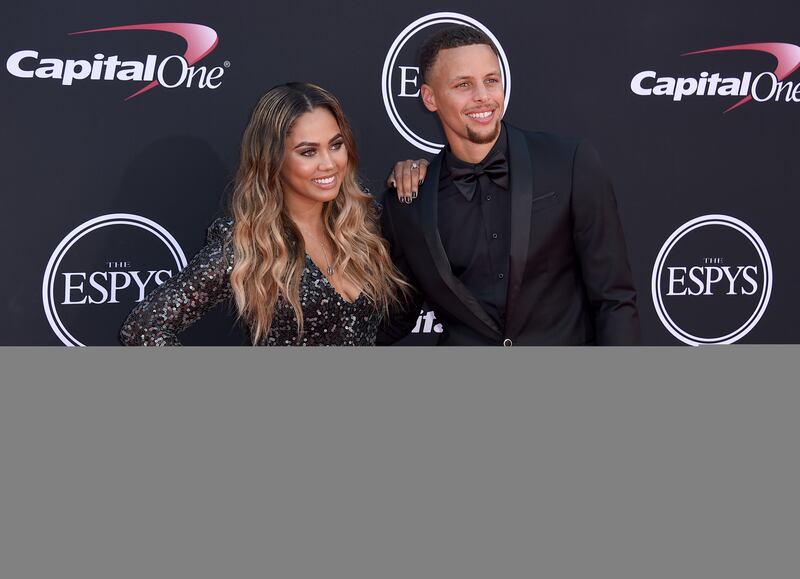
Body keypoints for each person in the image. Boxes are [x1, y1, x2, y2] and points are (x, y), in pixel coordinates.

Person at [379, 25, 641, 346]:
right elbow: (394, 317)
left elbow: (614, 298)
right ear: (430, 98)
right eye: (464, 84)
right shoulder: (408, 202)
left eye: (491, 80)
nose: (483, 96)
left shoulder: (569, 163)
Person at [120, 82, 417, 346]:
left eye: (336, 145)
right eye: (308, 152)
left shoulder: (367, 223)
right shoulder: (246, 244)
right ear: (272, 158)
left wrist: (420, 172)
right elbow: (143, 328)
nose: (329, 163)